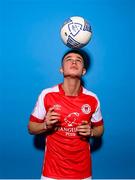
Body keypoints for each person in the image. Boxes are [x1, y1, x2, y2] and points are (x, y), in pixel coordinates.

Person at [28, 49, 104, 179]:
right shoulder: (47, 95)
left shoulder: (92, 99)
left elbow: (100, 129)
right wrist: (45, 125)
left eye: (78, 60)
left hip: (82, 172)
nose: (74, 62)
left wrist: (91, 132)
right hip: (52, 172)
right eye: (69, 59)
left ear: (83, 71)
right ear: (61, 70)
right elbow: (31, 128)